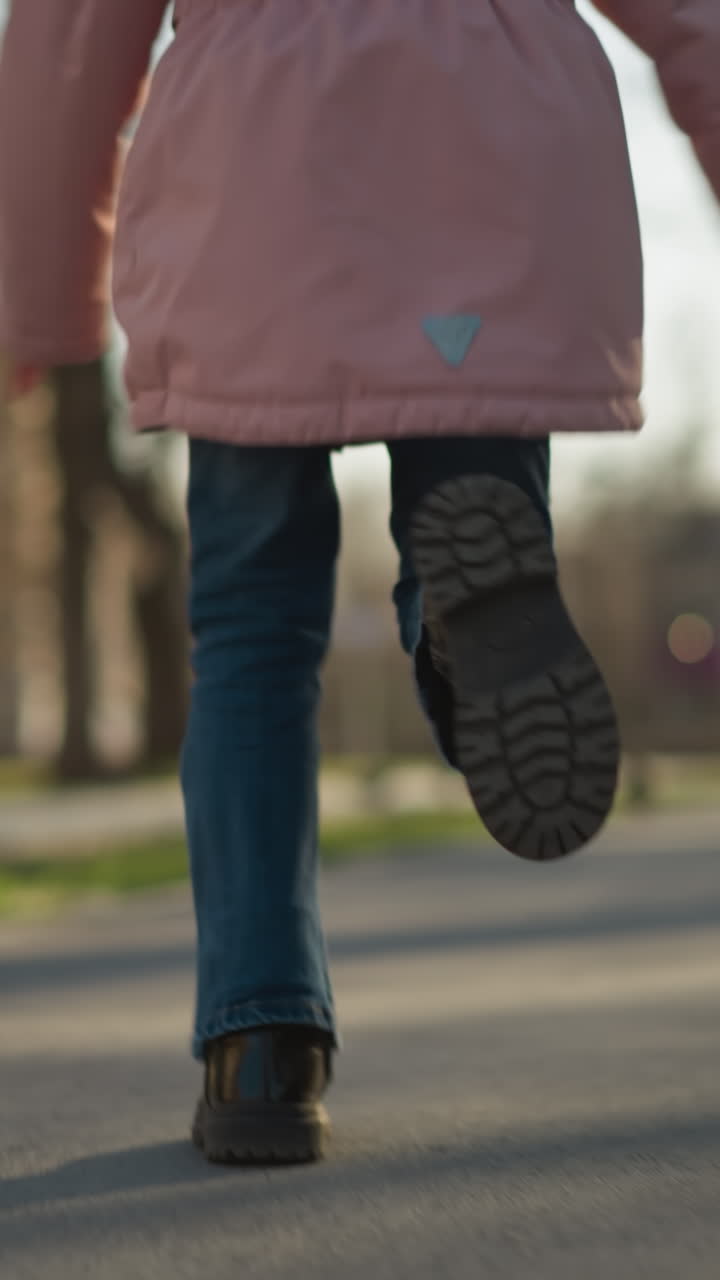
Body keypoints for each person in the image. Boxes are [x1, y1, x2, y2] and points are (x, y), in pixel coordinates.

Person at [0, 1, 718, 1167]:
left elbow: (73, 36)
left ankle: (263, 1042)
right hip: (491, 150)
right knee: (476, 514)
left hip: (255, 180)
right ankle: (453, 614)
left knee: (249, 633)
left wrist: (43, 299)